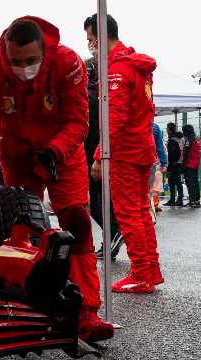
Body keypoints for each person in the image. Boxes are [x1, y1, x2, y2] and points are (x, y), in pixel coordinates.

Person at [0, 17, 113, 342]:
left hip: (64, 151)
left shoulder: (68, 62)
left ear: (43, 51)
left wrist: (56, 150)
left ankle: (87, 312)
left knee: (77, 222)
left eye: (30, 61)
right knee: (20, 227)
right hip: (18, 155)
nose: (23, 68)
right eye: (16, 62)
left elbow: (78, 120)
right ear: (6, 53)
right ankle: (20, 306)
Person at [87, 14, 161, 293]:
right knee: (141, 212)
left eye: (92, 40)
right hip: (142, 149)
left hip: (126, 152)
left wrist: (97, 155)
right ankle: (150, 270)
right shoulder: (137, 65)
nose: (91, 46)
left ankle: (141, 273)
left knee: (129, 213)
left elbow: (114, 117)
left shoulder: (117, 69)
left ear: (103, 36)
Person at [83, 55, 123, 260]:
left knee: (95, 200)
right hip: (104, 152)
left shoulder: (91, 93)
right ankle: (112, 235)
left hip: (93, 154)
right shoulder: (103, 91)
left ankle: (115, 231)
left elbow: (88, 129)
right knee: (103, 198)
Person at [164, 123, 184, 207]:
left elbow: (172, 155)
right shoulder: (178, 138)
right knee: (176, 182)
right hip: (179, 163)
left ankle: (176, 200)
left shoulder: (172, 140)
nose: (166, 130)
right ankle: (176, 199)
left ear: (170, 129)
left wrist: (169, 166)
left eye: (167, 128)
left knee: (173, 182)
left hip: (173, 164)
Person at [183, 124, 201, 208]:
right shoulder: (196, 138)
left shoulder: (189, 139)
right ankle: (196, 201)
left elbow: (186, 152)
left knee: (190, 183)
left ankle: (192, 201)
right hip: (195, 164)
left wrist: (183, 163)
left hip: (189, 164)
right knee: (195, 182)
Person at [151, 122, 168, 211]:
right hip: (154, 164)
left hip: (134, 162)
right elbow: (162, 150)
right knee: (154, 188)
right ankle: (154, 206)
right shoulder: (154, 127)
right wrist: (164, 163)